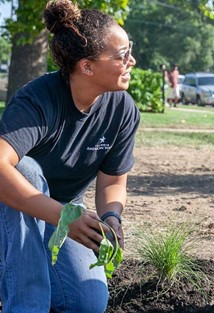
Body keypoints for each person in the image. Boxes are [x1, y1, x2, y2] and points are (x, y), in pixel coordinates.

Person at [0, 0, 139, 312]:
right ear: (86, 67)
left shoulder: (122, 109)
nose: (132, 60)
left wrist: (111, 217)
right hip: (12, 210)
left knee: (86, 304)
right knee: (26, 170)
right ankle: (25, 303)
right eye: (122, 56)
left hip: (63, 214)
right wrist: (61, 216)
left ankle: (21, 270)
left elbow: (112, 181)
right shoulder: (37, 100)